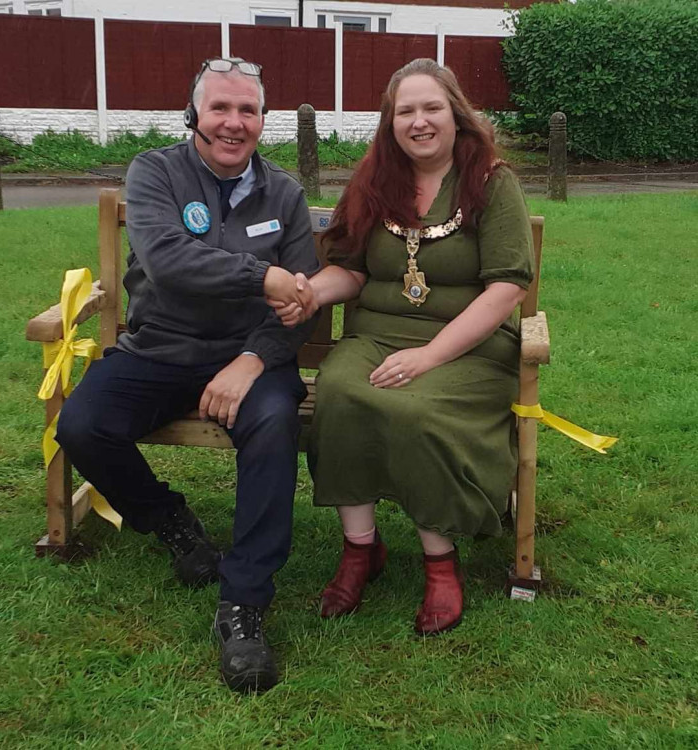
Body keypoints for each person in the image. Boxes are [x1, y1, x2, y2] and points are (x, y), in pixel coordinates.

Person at [55, 58, 319, 693]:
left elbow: (301, 306)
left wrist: (251, 360)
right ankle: (171, 521)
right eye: (220, 108)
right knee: (83, 425)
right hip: (159, 348)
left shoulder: (284, 193)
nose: (234, 123)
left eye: (247, 111)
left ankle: (244, 605)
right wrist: (263, 276)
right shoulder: (155, 171)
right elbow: (169, 261)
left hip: (250, 356)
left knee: (275, 420)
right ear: (194, 115)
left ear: (263, 121)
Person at [272, 58, 535, 634]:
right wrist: (311, 292)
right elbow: (351, 271)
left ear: (456, 114)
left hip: (470, 347)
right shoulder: (374, 182)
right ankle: (360, 550)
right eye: (405, 111)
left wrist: (428, 356)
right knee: (338, 393)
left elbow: (506, 289)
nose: (419, 122)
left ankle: (440, 564)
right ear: (391, 122)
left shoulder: (492, 181)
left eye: (431, 108)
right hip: (378, 337)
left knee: (412, 408)